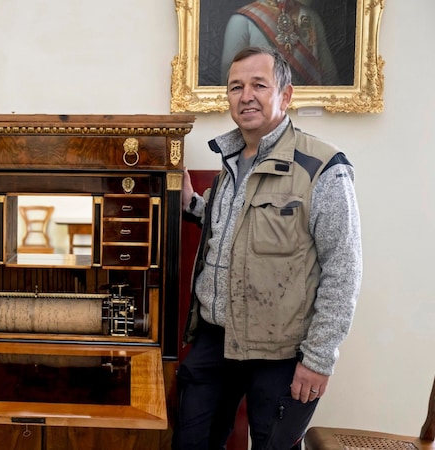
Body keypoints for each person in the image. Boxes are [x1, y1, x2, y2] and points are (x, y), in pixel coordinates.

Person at [174, 46, 362, 449]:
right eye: (235, 87)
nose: (246, 96)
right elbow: (237, 231)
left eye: (259, 85)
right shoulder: (228, 163)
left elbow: (343, 270)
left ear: (286, 95)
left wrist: (318, 360)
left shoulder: (323, 167)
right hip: (215, 340)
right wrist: (193, 204)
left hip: (281, 354)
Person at [220, 0, 339, 86]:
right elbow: (229, 77)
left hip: (309, 106)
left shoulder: (311, 18)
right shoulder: (241, 21)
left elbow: (329, 76)